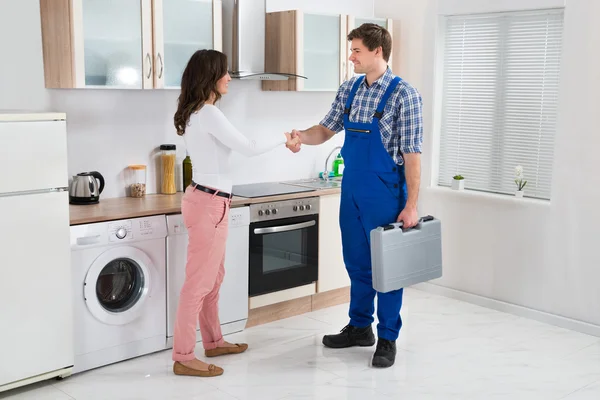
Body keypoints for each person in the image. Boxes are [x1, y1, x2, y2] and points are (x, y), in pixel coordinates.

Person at [286, 23, 423, 368]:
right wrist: (301, 137)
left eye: (357, 50)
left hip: (385, 192)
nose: (351, 57)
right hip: (352, 190)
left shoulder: (404, 95)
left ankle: (388, 337)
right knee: (357, 263)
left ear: (378, 51)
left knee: (387, 268)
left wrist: (410, 205)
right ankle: (360, 327)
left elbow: (413, 156)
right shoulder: (349, 89)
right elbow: (326, 128)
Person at [171, 49, 300, 378]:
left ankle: (214, 341)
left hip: (209, 200)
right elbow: (250, 146)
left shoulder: (195, 111)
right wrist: (285, 137)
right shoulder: (208, 112)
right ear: (210, 77)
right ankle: (184, 355)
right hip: (209, 203)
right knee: (198, 284)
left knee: (212, 279)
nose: (229, 78)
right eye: (225, 72)